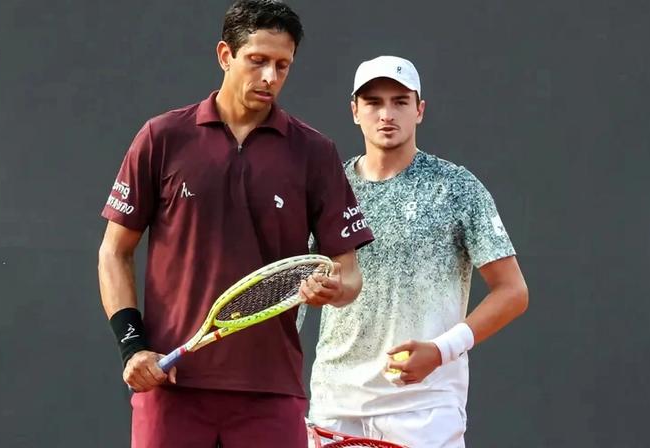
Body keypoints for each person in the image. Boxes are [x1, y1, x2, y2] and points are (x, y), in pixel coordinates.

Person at [97, 2, 373, 447]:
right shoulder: (163, 137)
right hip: (172, 385)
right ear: (225, 55)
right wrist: (133, 346)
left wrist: (335, 289)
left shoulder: (315, 153)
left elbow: (349, 272)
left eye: (282, 65)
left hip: (271, 392)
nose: (270, 77)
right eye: (257, 61)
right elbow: (114, 250)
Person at [308, 55, 529, 448]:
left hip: (425, 407)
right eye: (373, 102)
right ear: (355, 110)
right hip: (336, 405)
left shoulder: (457, 187)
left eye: (400, 101)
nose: (386, 114)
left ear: (420, 110)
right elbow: (297, 288)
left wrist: (441, 351)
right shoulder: (328, 188)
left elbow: (513, 292)